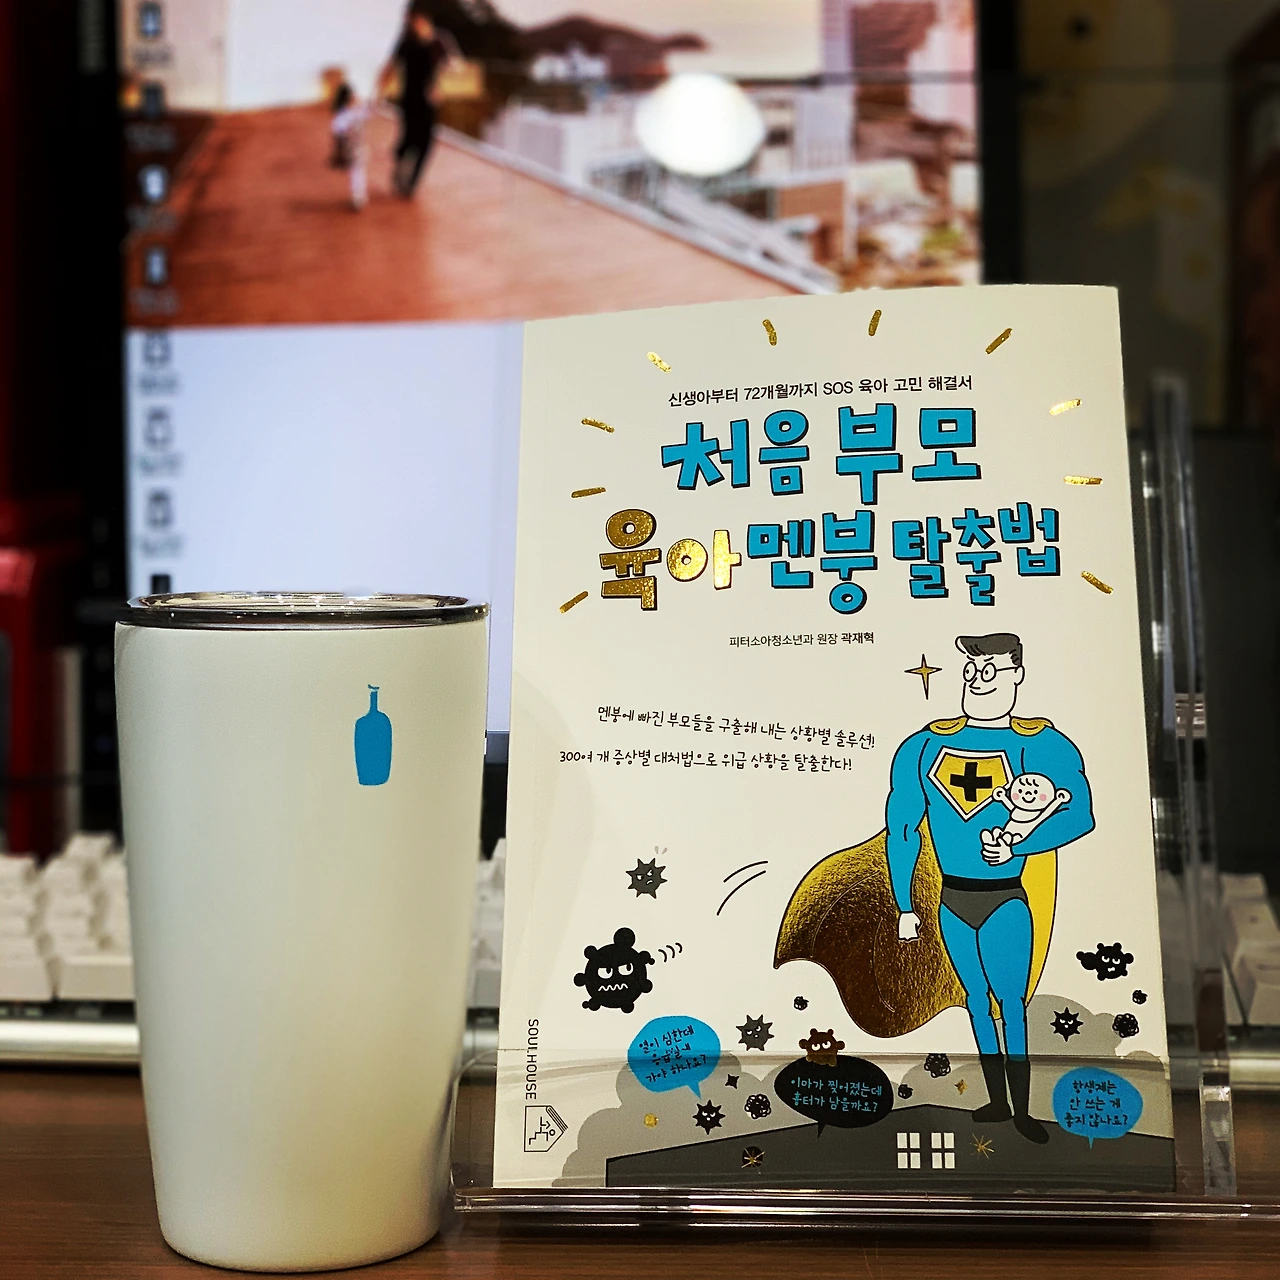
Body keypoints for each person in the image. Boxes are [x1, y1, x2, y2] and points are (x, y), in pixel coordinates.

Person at [886, 632, 1095, 1143]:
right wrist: (904, 904)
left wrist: (1020, 844)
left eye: (991, 668)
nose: (978, 679)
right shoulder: (923, 745)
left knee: (1011, 1002)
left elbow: (1078, 813)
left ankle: (1023, 1110)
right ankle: (998, 1102)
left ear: (1016, 674)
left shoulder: (1040, 744)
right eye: (972, 669)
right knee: (976, 1001)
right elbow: (902, 827)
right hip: (952, 898)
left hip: (1005, 896)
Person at [378, 3, 451, 198]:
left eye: (415, 18)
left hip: (429, 102)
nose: (413, 23)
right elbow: (391, 66)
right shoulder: (406, 42)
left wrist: (439, 88)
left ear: (424, 18)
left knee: (426, 142)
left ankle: (411, 183)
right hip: (410, 98)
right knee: (409, 138)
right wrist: (380, 92)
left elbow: (447, 68)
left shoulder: (439, 42)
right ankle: (400, 164)